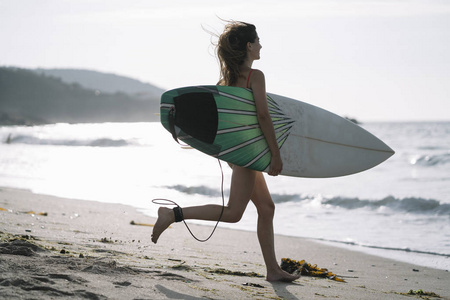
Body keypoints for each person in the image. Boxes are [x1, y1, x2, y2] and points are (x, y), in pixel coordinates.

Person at [152, 21, 300, 282]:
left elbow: (222, 125)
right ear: (249, 46)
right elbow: (264, 117)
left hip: (238, 154)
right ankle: (172, 214)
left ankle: (272, 270)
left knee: (266, 208)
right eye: (258, 41)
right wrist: (275, 155)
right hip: (247, 156)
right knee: (233, 213)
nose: (261, 45)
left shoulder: (225, 81)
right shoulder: (256, 76)